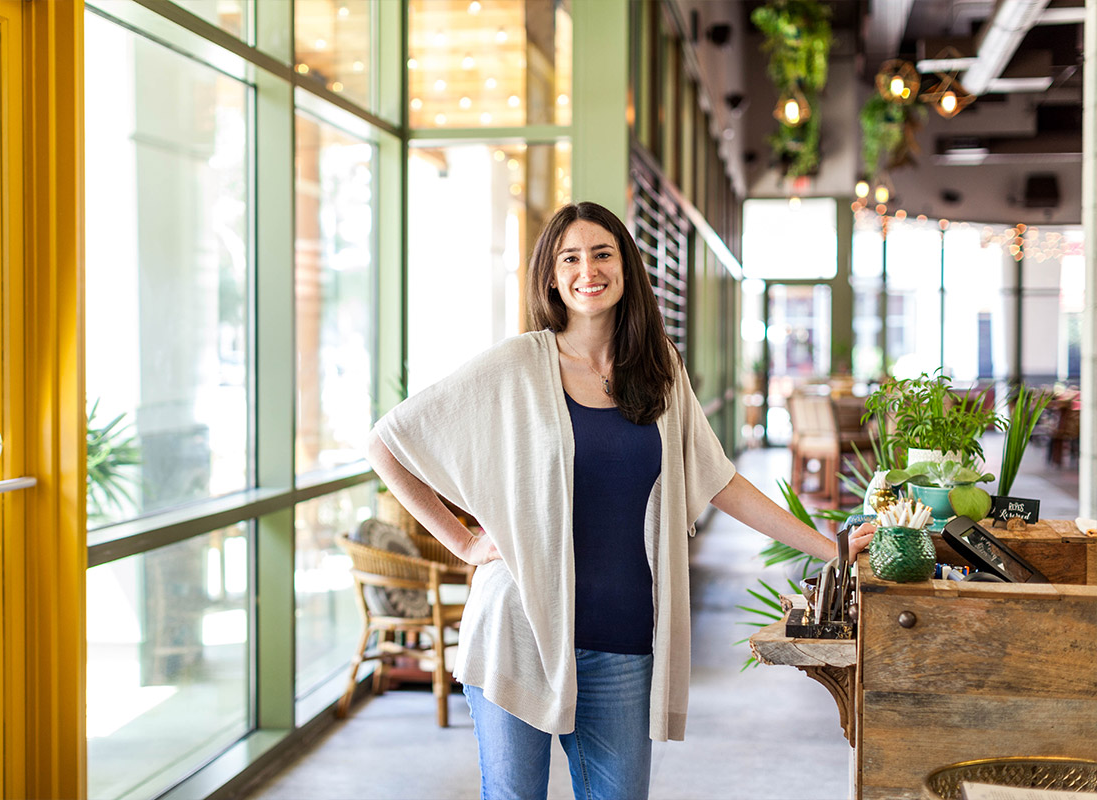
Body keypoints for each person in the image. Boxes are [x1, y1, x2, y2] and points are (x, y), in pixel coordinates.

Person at [367, 201, 873, 800]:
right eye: (570, 258)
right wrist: (463, 542)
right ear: (552, 277)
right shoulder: (517, 365)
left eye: (603, 253)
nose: (589, 269)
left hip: (623, 641)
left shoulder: (659, 368)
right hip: (520, 630)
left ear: (626, 267)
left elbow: (720, 481)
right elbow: (387, 443)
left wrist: (830, 546)